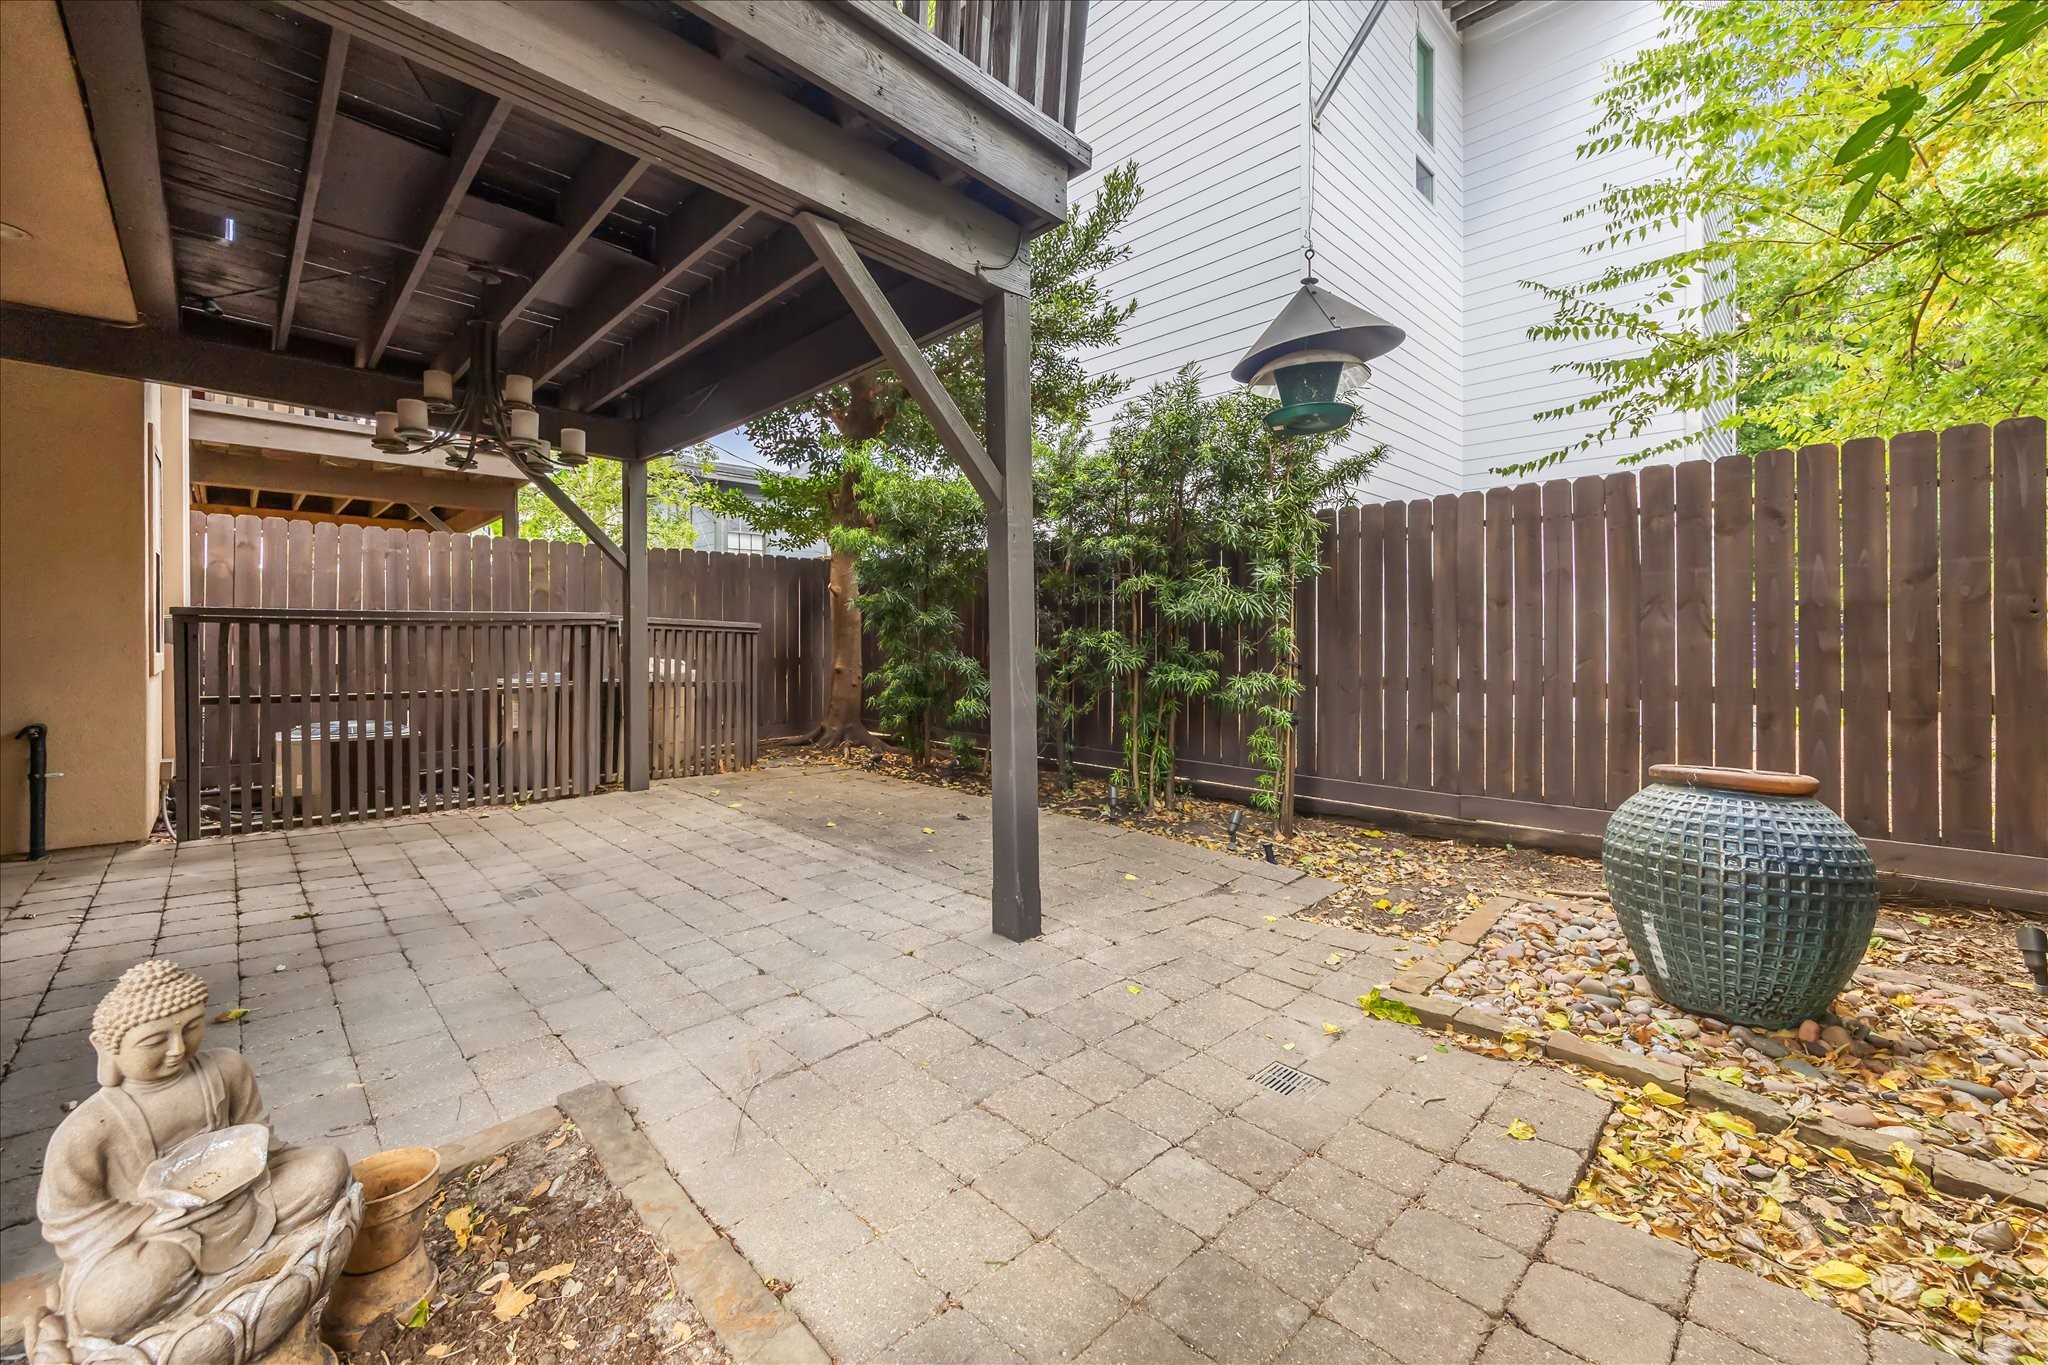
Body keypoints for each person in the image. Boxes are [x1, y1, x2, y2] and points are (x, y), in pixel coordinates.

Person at [34, 959, 352, 1343]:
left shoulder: (226, 1069)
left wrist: (248, 1165)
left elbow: (258, 1137)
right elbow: (67, 1219)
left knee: (327, 1167)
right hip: (165, 1237)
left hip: (247, 1199)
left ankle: (235, 1275)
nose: (177, 1048)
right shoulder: (90, 1128)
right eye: (155, 1041)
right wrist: (146, 1222)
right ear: (107, 1048)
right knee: (106, 1308)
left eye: (191, 1028)